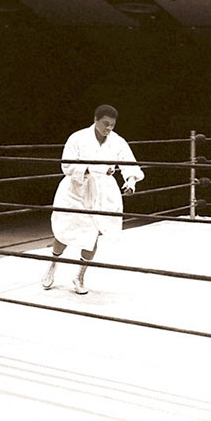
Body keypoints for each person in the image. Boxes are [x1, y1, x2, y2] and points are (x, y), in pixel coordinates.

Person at [41, 104, 144, 294]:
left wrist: (130, 181)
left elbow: (130, 164)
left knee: (92, 237)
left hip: (101, 193)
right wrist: (94, 169)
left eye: (112, 125)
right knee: (64, 234)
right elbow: (67, 166)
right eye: (105, 124)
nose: (109, 129)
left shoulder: (117, 141)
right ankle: (53, 265)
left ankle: (79, 276)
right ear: (96, 120)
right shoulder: (78, 138)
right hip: (76, 191)